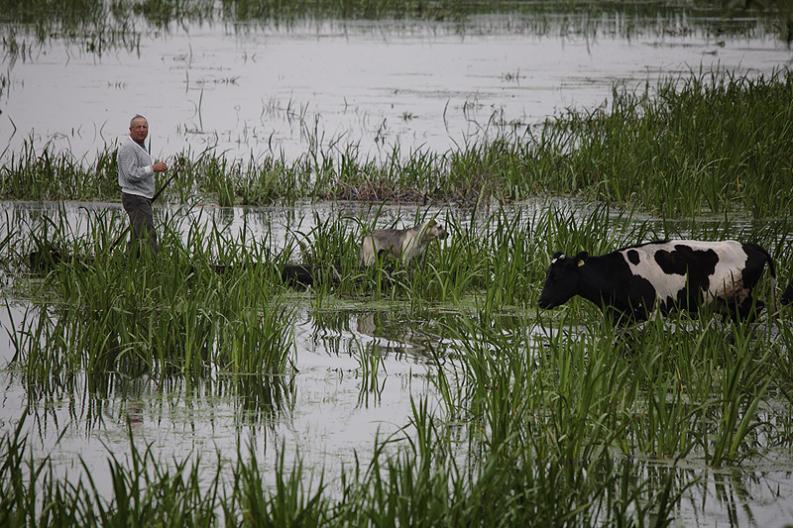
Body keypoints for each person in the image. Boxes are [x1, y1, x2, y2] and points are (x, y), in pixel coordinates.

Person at [117, 115, 168, 254]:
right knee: (148, 235)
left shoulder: (139, 147)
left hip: (141, 197)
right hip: (135, 198)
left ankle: (129, 263)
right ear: (130, 130)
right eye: (138, 127)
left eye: (144, 127)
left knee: (137, 235)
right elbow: (130, 174)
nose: (141, 130)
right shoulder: (128, 148)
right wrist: (153, 168)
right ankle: (154, 265)